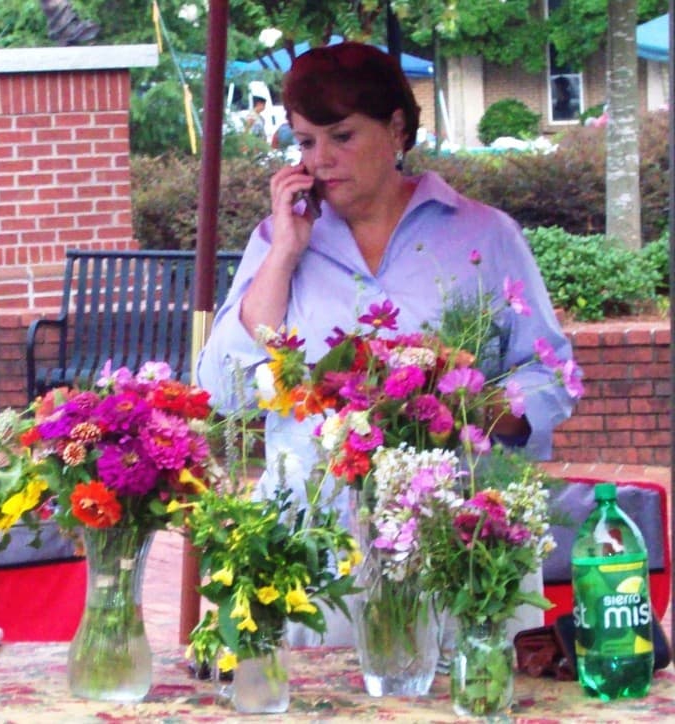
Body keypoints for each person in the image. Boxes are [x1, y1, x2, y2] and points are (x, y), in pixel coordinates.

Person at [196, 43, 579, 644]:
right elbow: (223, 390)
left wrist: (459, 406)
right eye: (304, 142)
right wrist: (285, 254)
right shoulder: (279, 240)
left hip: (456, 547)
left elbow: (552, 375)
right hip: (313, 556)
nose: (320, 160)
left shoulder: (482, 233)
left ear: (397, 128)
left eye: (341, 136)